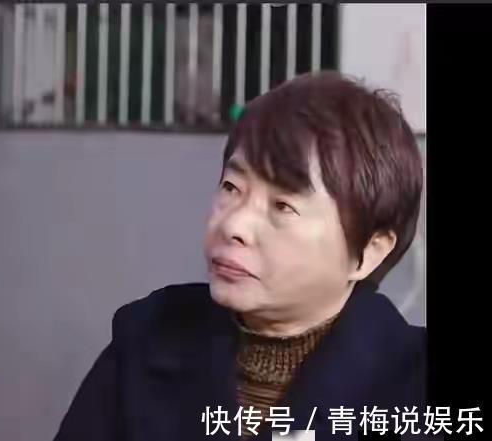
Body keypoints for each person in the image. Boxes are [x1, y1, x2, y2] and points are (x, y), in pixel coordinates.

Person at [55, 72, 426, 440]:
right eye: (231, 187)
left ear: (369, 252)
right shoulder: (145, 340)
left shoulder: (416, 389)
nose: (234, 225)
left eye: (282, 206)